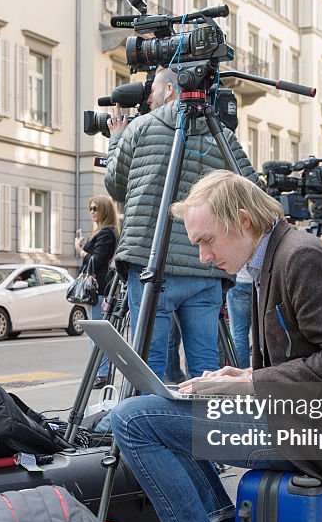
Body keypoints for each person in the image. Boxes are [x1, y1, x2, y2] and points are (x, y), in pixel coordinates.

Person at [110, 170, 322, 522]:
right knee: (156, 412)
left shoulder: (303, 258)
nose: (201, 256)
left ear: (242, 220)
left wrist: (254, 382)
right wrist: (239, 379)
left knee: (134, 420)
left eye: (207, 240)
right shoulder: (274, 256)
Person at [105, 67, 260, 381]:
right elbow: (253, 191)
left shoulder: (141, 127)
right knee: (206, 365)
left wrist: (116, 140)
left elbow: (115, 186)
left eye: (153, 93)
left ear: (170, 91)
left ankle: (151, 428)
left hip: (151, 263)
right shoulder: (223, 135)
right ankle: (205, 428)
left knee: (150, 366)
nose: (149, 100)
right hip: (205, 267)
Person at [74, 195, 119, 388]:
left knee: (97, 334)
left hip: (100, 288)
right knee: (96, 332)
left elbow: (97, 260)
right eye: (90, 208)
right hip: (98, 289)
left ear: (105, 210)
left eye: (95, 208)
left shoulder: (107, 233)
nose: (92, 211)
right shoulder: (102, 232)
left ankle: (102, 374)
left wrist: (80, 250)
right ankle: (101, 373)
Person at [225, 268, 254, 369]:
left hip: (239, 279)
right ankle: (262, 375)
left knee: (238, 334)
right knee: (262, 332)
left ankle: (240, 375)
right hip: (260, 279)